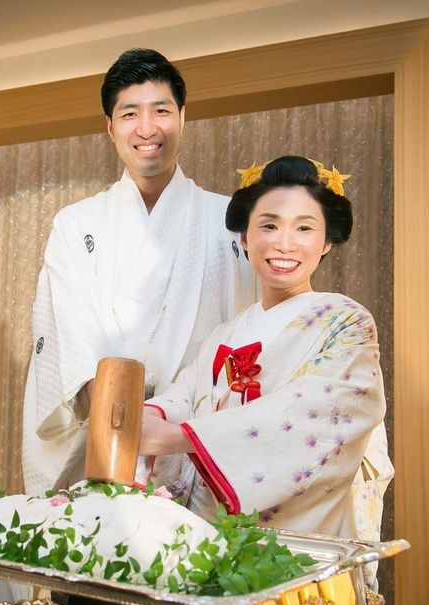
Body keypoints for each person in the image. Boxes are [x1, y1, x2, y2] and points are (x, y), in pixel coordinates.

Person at [22, 48, 255, 494]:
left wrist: (174, 420)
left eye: (161, 110)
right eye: (130, 114)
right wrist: (118, 423)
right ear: (111, 127)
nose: (146, 128)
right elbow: (70, 332)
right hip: (105, 432)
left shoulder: (228, 220)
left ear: (182, 117)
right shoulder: (76, 224)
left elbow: (247, 326)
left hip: (195, 437)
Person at [139, 155, 394, 543]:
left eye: (304, 228)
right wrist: (151, 414)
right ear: (244, 237)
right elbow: (185, 395)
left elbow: (317, 415)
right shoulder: (226, 333)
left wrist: (179, 438)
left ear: (326, 241)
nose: (284, 243)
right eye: (269, 225)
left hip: (297, 537)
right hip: (210, 532)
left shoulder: (344, 322)